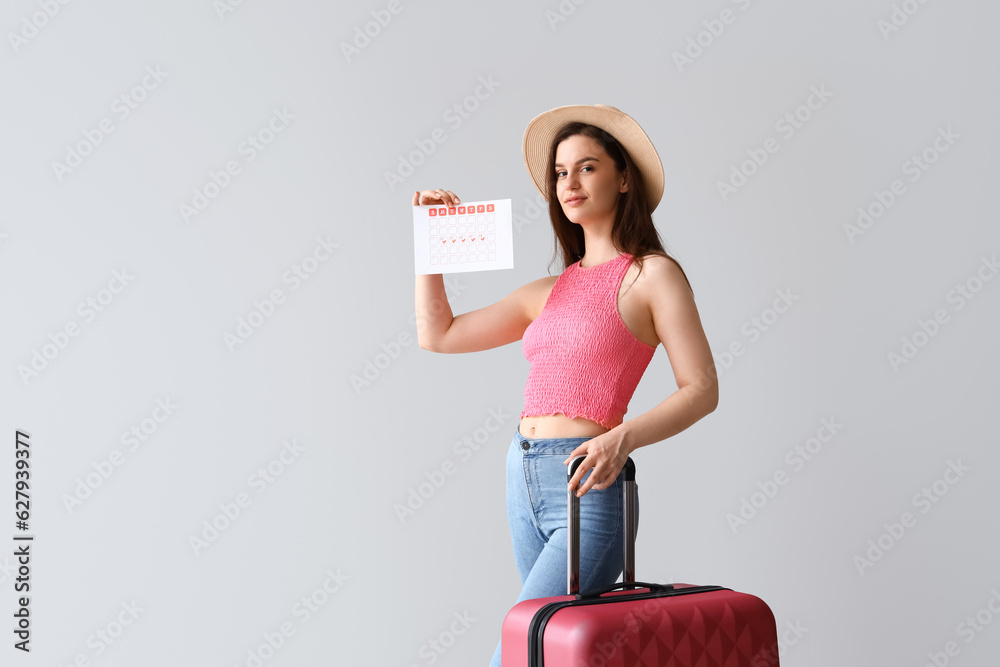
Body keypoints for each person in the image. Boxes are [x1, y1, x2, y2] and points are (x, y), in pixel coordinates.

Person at [412, 104, 718, 666]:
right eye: (559, 173)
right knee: (550, 655)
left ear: (624, 179)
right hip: (521, 473)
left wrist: (620, 439)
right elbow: (440, 333)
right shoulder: (547, 290)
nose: (568, 183)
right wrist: (429, 239)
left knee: (520, 650)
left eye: (587, 168)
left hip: (588, 478)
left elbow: (701, 388)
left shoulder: (652, 274)